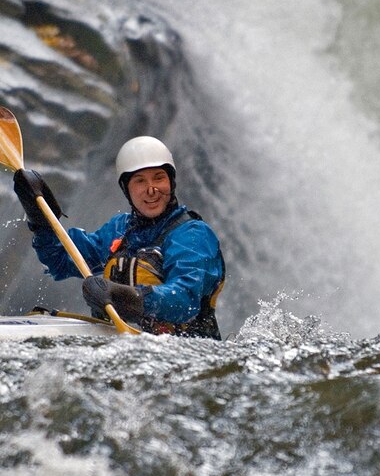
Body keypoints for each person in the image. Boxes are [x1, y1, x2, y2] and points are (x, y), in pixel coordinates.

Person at [12, 136, 225, 339]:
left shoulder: (193, 235)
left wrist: (124, 296)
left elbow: (184, 300)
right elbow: (60, 259)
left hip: (185, 352)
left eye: (159, 178)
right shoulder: (119, 230)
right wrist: (40, 220)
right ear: (127, 190)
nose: (151, 190)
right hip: (122, 348)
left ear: (171, 182)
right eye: (140, 181)